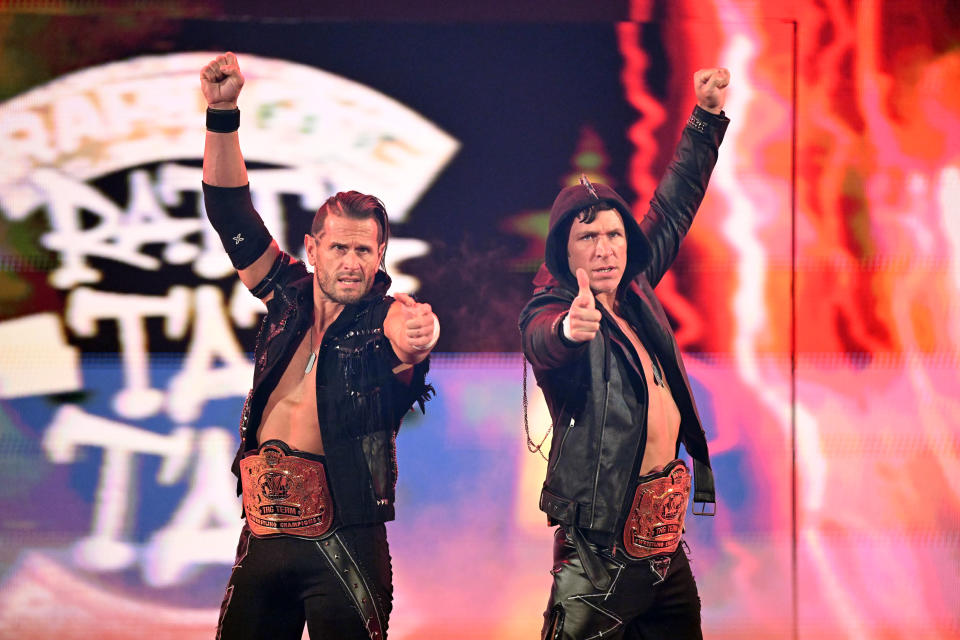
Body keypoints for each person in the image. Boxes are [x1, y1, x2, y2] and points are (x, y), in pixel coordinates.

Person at [200, 52, 438, 640]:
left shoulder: (387, 316)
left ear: (381, 255)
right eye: (340, 249)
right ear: (313, 249)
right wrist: (223, 112)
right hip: (262, 534)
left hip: (346, 544)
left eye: (365, 251)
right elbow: (228, 209)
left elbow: (406, 344)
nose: (353, 263)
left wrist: (414, 342)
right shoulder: (284, 295)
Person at [519, 68, 730, 640]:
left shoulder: (634, 290)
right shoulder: (551, 308)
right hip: (599, 550)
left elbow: (673, 205)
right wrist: (569, 330)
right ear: (565, 252)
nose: (606, 249)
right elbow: (543, 339)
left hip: (663, 546)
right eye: (589, 238)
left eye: (614, 235)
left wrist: (705, 118)